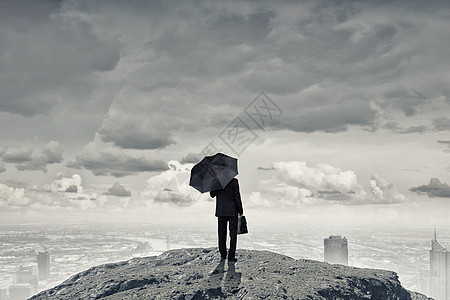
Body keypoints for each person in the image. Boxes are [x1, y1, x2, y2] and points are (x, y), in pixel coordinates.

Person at [210, 177, 243, 262]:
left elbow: (212, 194)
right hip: (232, 211)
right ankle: (231, 256)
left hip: (221, 211)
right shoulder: (234, 181)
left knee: (221, 233)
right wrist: (240, 210)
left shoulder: (216, 181)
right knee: (233, 234)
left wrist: (215, 185)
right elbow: (237, 196)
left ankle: (223, 254)